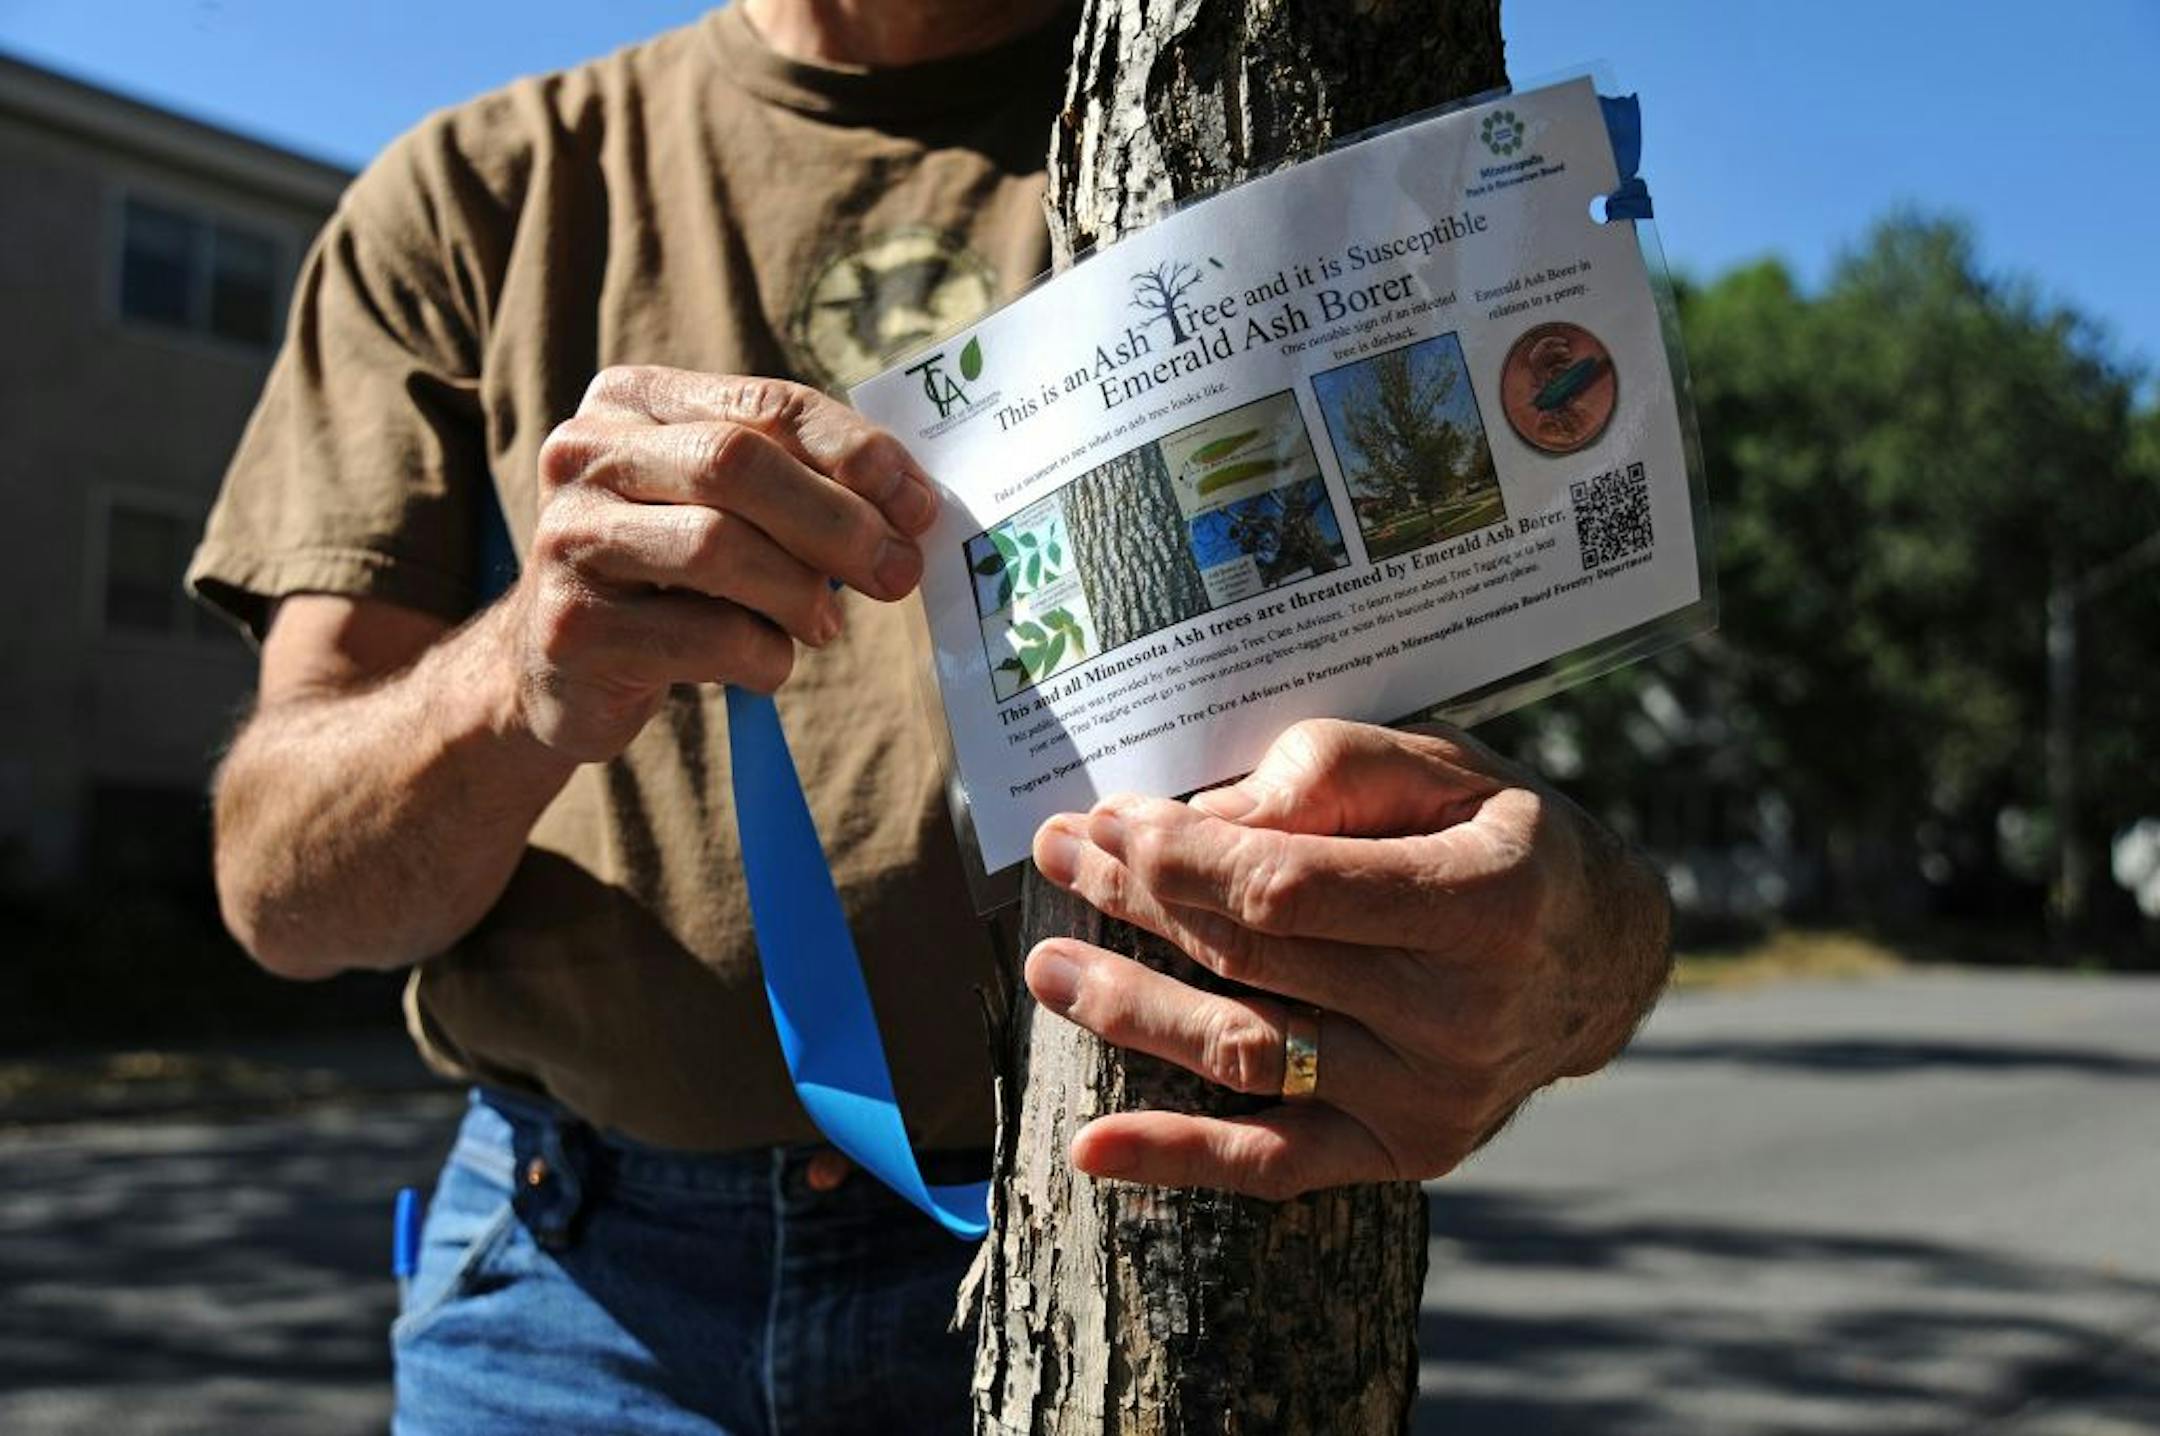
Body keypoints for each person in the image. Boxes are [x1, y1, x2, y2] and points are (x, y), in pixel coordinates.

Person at [188, 2, 1672, 1431]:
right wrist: (517, 675)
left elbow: (1537, 854)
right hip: (573, 1290)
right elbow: (283, 890)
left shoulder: (1251, 127)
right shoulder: (477, 196)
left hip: (1123, 1273)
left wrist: (1578, 969)